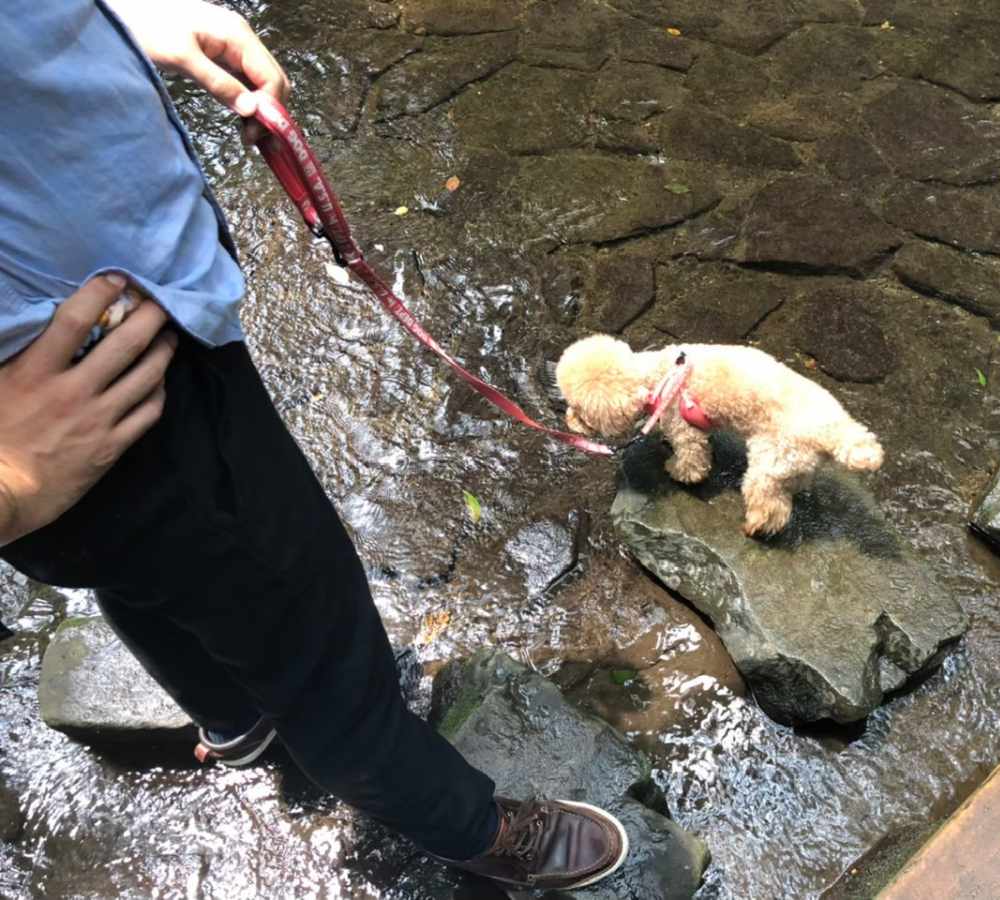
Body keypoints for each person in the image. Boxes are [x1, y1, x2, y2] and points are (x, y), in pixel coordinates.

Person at [0, 0, 628, 890]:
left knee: (138, 572)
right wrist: (12, 477)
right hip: (103, 394)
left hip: (104, 374)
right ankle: (470, 830)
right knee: (328, 655)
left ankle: (235, 720)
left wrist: (98, 27)